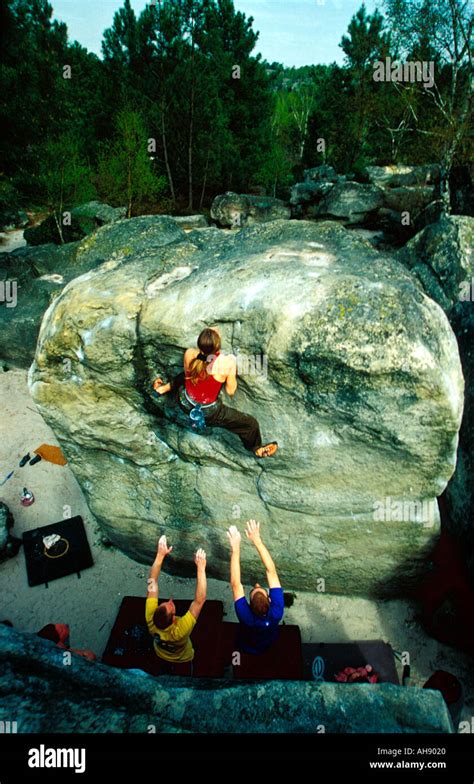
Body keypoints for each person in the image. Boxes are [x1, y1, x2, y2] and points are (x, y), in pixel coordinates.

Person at [152, 326, 278, 459]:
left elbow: (197, 368)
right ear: (217, 346)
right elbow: (230, 390)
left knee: (188, 373)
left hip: (184, 401)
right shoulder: (227, 362)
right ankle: (256, 448)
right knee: (250, 424)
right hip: (207, 413)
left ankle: (162, 389)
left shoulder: (190, 354)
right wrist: (231, 368)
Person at [145, 534, 206, 674]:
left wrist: (160, 556)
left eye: (165, 603)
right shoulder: (180, 631)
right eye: (171, 605)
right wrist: (201, 568)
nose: (170, 601)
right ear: (174, 619)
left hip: (160, 652)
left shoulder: (150, 618)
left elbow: (151, 581)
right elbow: (199, 601)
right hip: (183, 659)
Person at [227, 519, 284, 655]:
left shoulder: (248, 618)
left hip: (247, 642)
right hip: (270, 638)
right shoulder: (275, 612)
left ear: (249, 606)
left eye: (254, 589)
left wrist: (236, 549)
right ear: (270, 600)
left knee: (245, 646)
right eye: (260, 588)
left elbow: (236, 584)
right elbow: (271, 571)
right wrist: (257, 541)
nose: (257, 584)